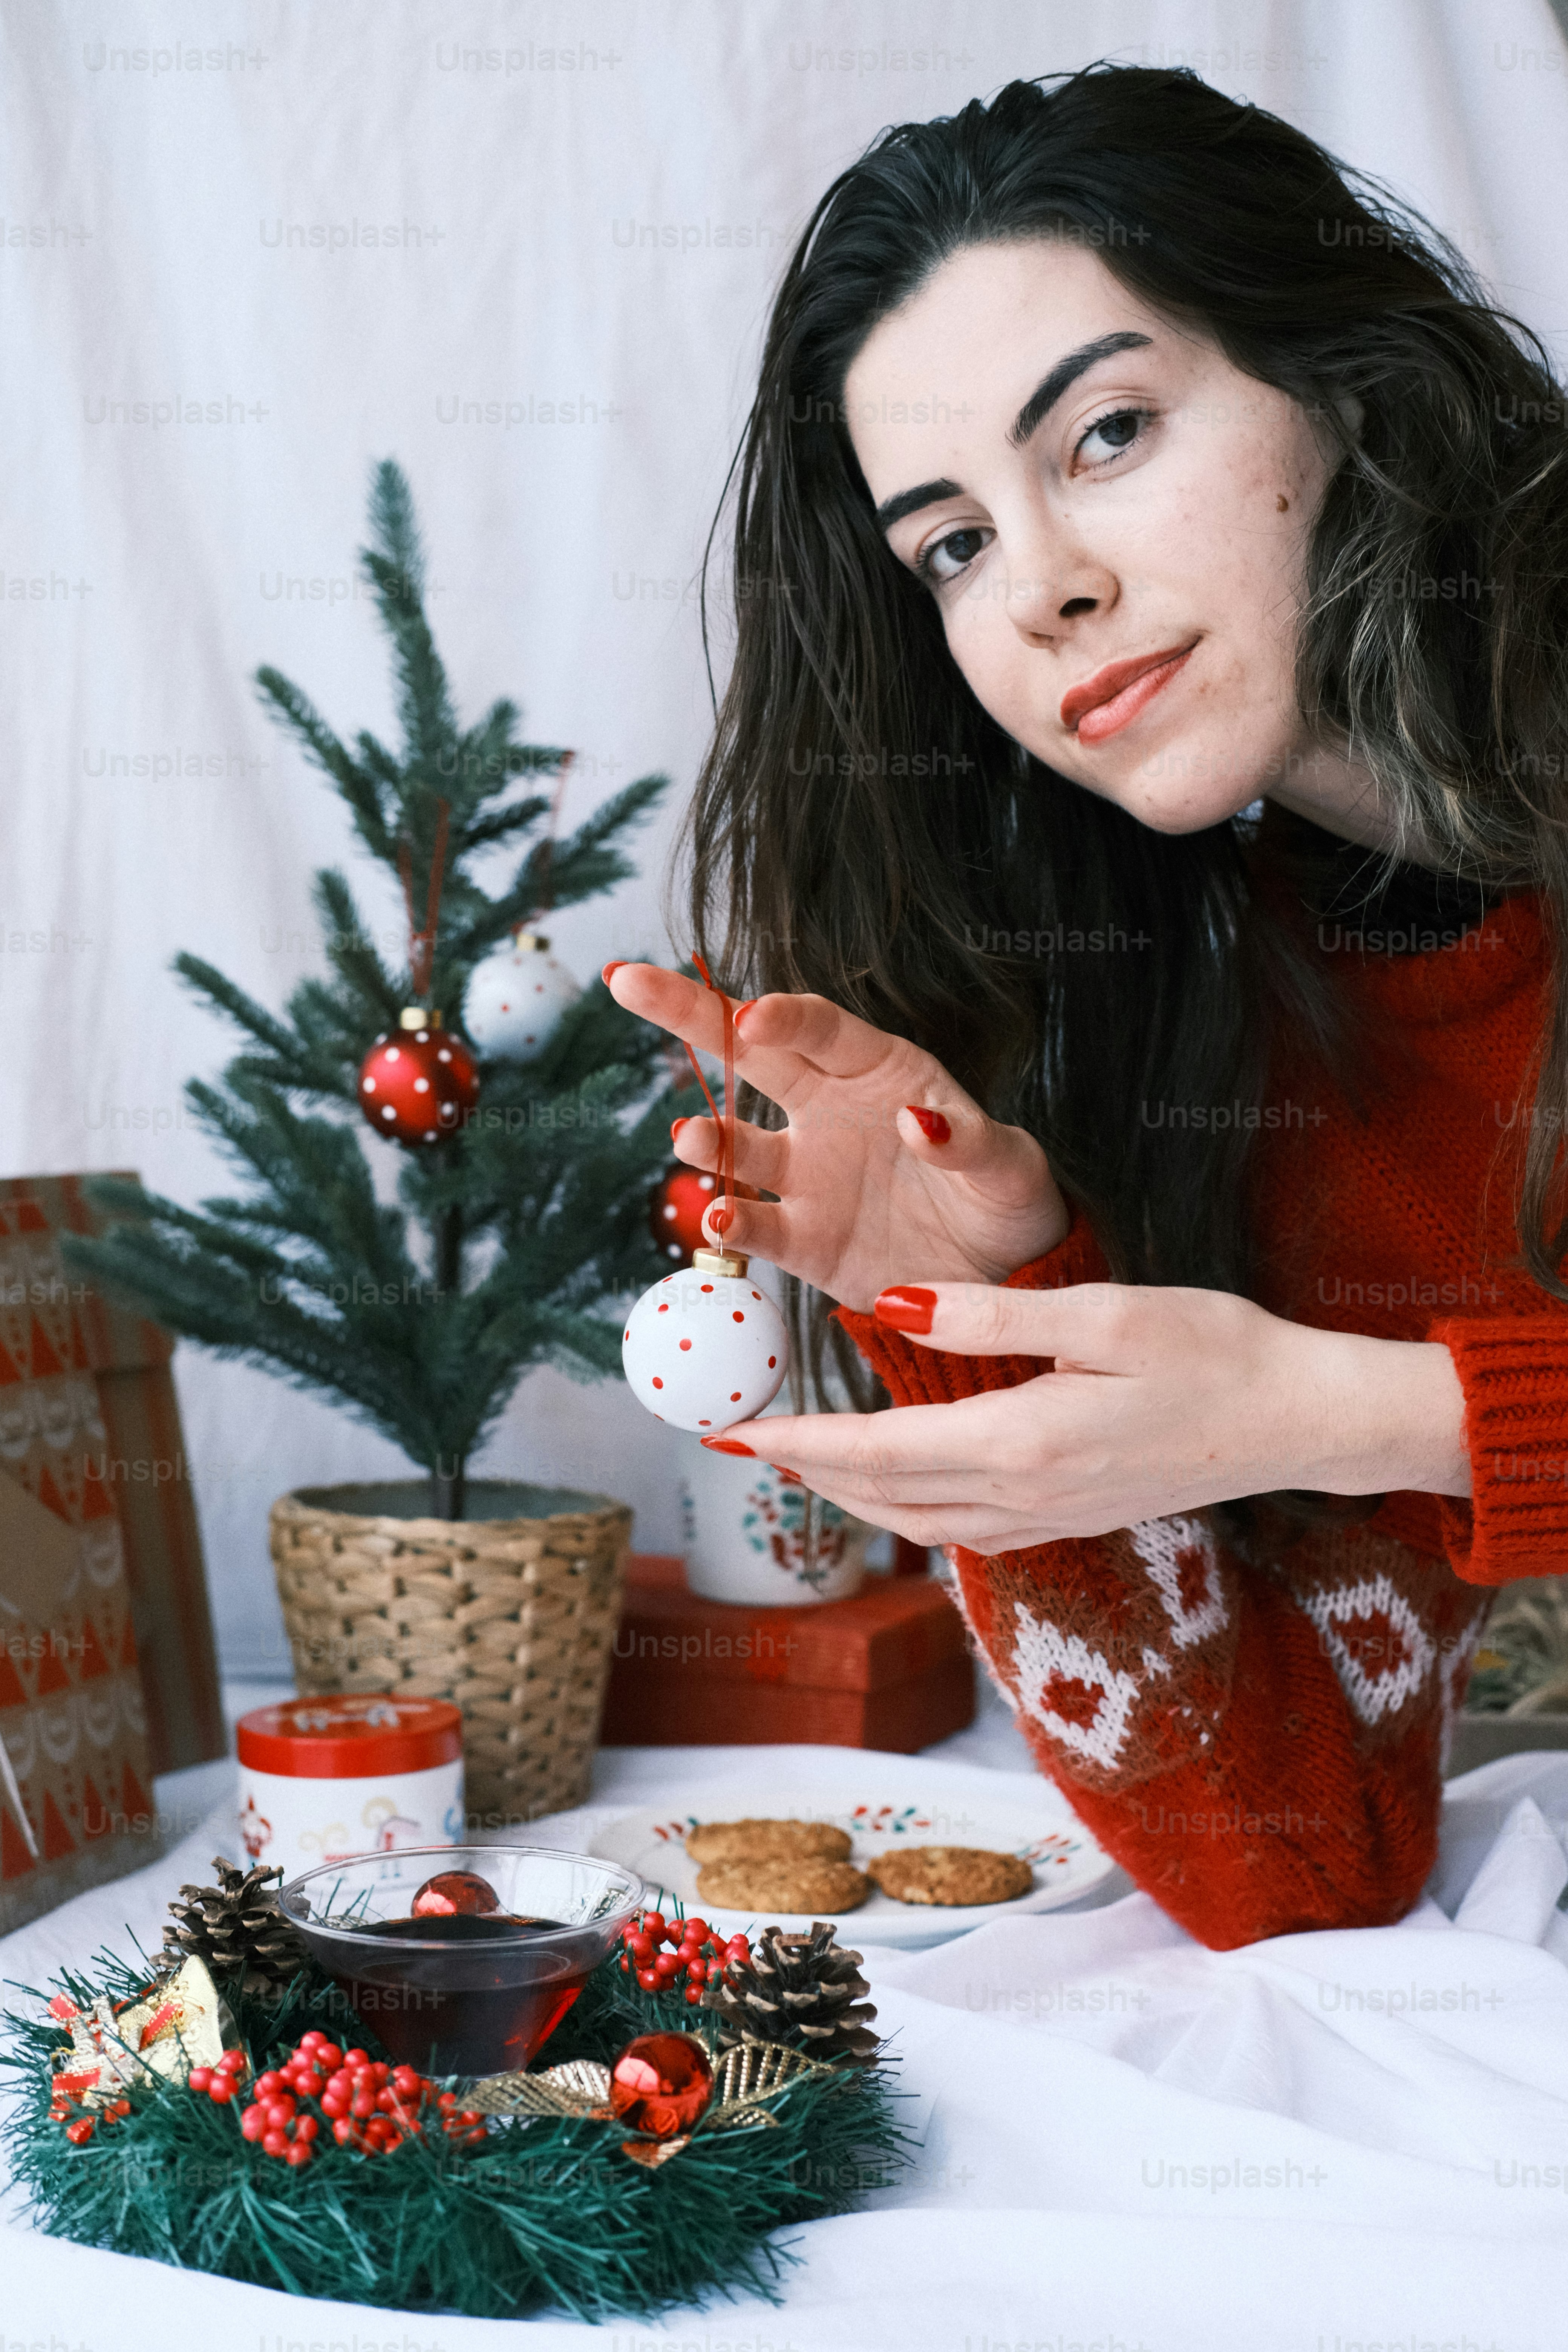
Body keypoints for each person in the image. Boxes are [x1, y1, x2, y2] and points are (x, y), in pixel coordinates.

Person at [605, 66, 1568, 1949]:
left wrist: (1377, 1415)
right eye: (949, 542)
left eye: (1107, 432)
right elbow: (1293, 1868)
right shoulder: (1224, 1033)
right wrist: (995, 1303)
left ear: (1342, 382)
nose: (1039, 583)